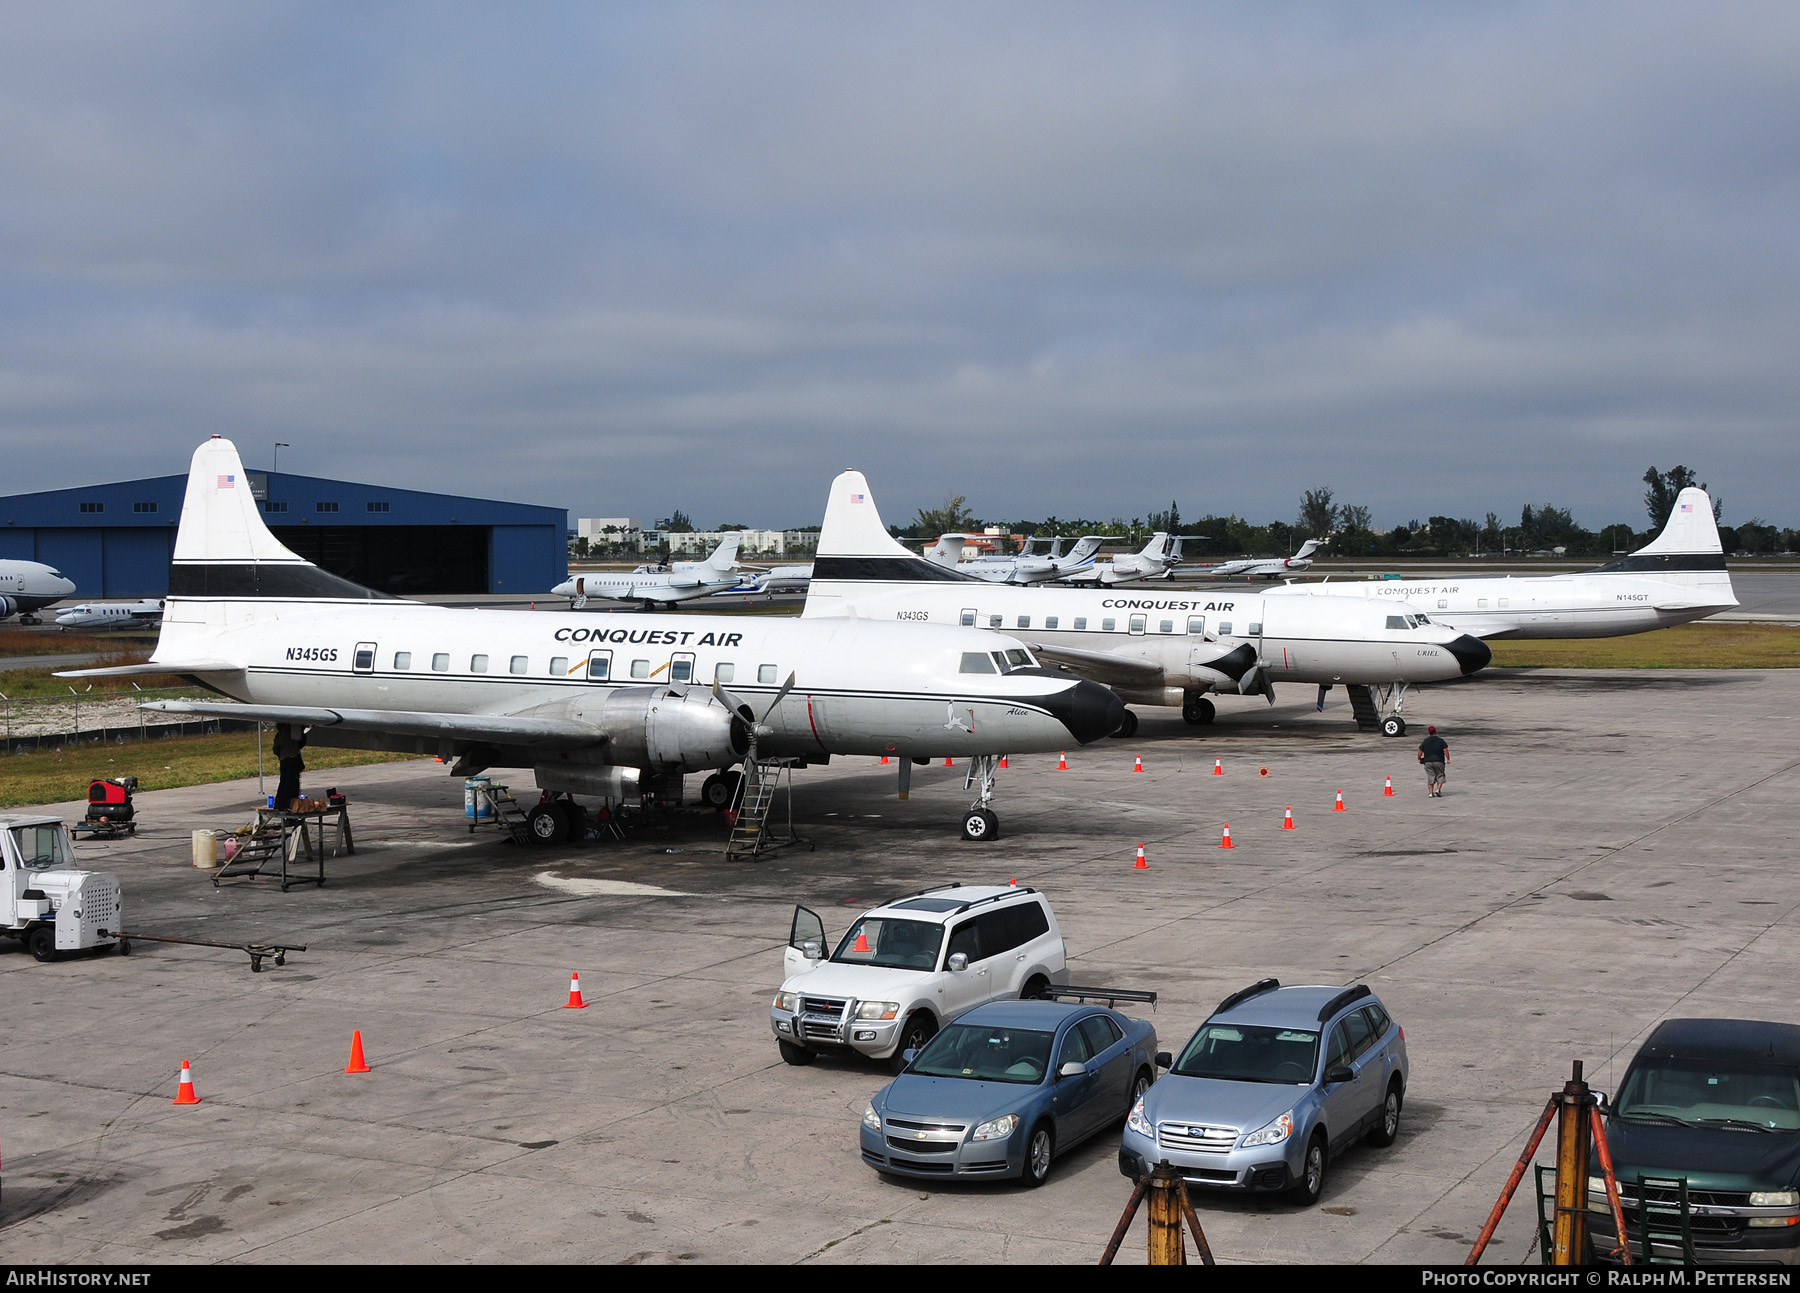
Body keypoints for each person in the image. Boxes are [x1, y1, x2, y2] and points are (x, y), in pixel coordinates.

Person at [272, 723, 307, 811]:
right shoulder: (293, 731)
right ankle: (290, 802)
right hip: (292, 758)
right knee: (292, 782)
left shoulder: (279, 734)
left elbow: (275, 749)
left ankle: (279, 803)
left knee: (283, 781)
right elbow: (301, 742)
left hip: (283, 759)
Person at [1417, 725, 1449, 798]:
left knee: (1431, 777)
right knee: (1440, 775)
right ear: (1436, 731)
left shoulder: (1425, 741)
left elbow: (1420, 751)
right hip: (1439, 761)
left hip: (1428, 761)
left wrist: (1419, 758)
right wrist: (1448, 759)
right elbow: (1445, 750)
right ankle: (1438, 790)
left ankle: (1430, 793)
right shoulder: (1440, 740)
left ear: (1429, 732)